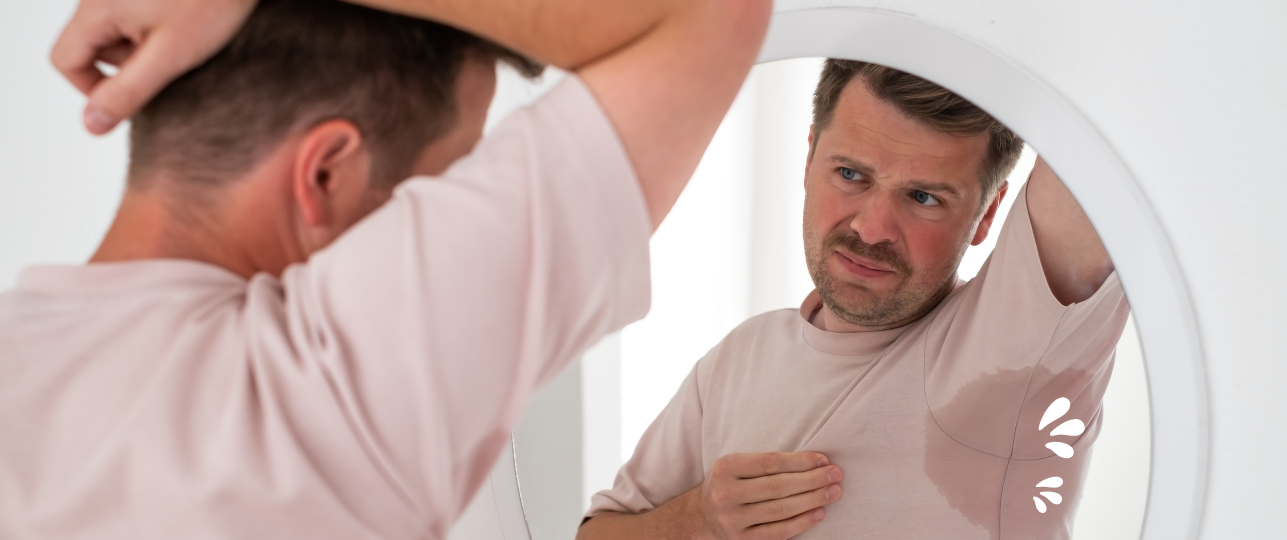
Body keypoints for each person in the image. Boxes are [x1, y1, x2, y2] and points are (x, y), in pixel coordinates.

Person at [0, 0, 772, 537]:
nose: (448, 212)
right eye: (449, 176)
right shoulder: (314, 390)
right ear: (326, 175)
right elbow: (704, 16)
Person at [578, 60, 1128, 540]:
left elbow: (1113, 104)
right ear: (810, 156)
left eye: (922, 197)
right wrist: (697, 519)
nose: (872, 229)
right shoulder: (737, 358)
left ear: (986, 214)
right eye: (850, 174)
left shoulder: (1011, 348)